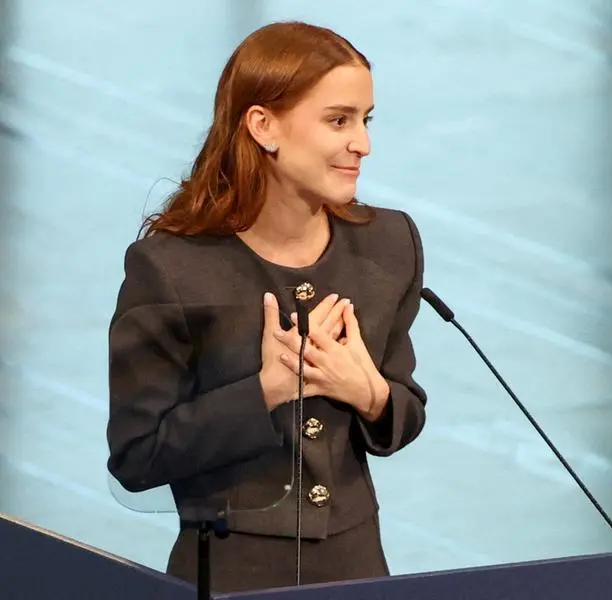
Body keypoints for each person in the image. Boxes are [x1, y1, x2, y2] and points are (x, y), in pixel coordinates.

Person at [105, 21, 427, 593]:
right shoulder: (173, 269)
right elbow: (136, 456)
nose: (363, 143)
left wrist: (369, 393)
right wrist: (267, 390)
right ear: (263, 126)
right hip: (230, 571)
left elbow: (404, 407)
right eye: (338, 120)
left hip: (356, 569)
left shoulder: (389, 245)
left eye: (365, 119)